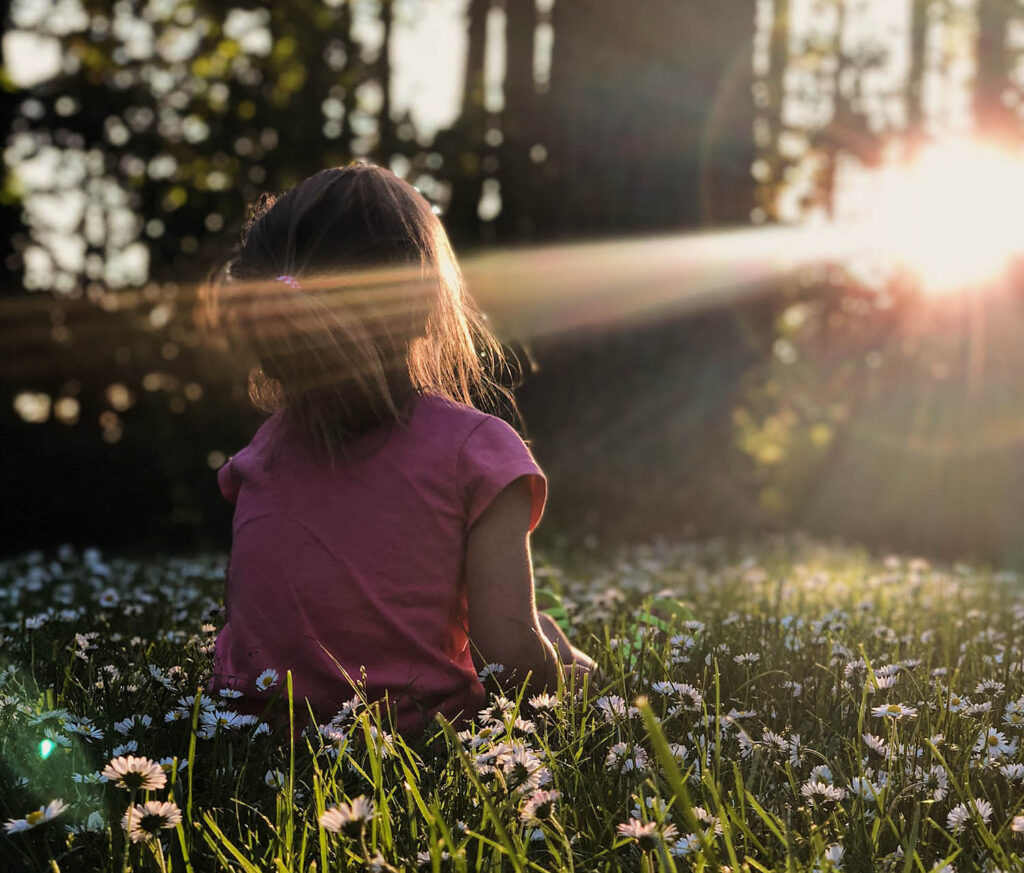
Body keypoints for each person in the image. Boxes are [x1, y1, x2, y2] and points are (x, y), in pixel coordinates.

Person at [200, 162, 595, 737]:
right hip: (415, 742)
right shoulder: (476, 453)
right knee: (551, 646)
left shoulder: (262, 455)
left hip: (254, 734)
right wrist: (574, 678)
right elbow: (508, 662)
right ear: (425, 304)